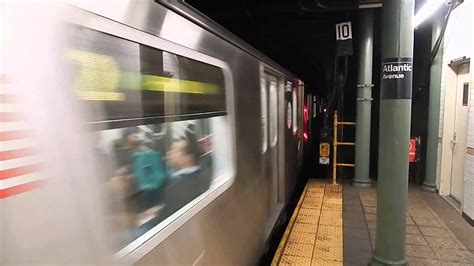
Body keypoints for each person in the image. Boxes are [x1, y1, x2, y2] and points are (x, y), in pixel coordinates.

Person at [160, 127, 211, 220]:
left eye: (174, 150)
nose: (169, 153)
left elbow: (164, 220)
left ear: (188, 158)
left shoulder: (175, 190)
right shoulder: (207, 174)